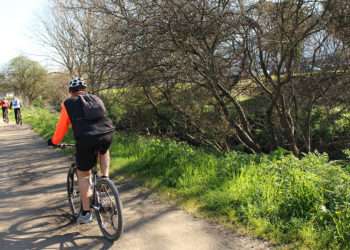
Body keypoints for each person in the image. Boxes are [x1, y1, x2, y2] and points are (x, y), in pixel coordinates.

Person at [47, 77, 115, 224]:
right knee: (104, 150)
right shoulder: (96, 99)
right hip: (107, 134)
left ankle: (86, 213)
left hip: (86, 140)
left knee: (84, 175)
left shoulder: (68, 103)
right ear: (85, 89)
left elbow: (62, 127)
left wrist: (54, 142)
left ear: (71, 91)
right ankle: (105, 178)